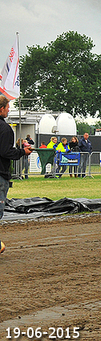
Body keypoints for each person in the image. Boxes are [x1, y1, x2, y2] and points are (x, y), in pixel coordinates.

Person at [0, 95, 33, 254]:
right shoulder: (5, 129)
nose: (8, 110)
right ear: (1, 109)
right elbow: (6, 152)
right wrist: (22, 152)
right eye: (7, 108)